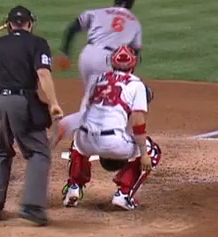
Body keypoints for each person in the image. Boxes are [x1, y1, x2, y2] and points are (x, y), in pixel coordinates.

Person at [0, 5, 64, 226]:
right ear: (30, 24)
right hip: (22, 103)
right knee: (39, 152)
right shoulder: (38, 43)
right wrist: (54, 103)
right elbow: (43, 73)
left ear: (8, 25)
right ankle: (33, 207)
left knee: (2, 150)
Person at [57, 46, 162, 210]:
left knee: (78, 141)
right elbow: (137, 122)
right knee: (152, 150)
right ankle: (124, 194)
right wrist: (143, 154)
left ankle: (74, 187)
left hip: (86, 139)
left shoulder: (95, 80)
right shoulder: (136, 85)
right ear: (133, 64)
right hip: (113, 143)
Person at [56, 0, 142, 111]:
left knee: (91, 92)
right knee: (94, 97)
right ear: (131, 4)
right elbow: (135, 52)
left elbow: (72, 28)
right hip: (106, 60)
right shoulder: (134, 22)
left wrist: (65, 52)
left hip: (86, 55)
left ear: (115, 0)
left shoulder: (98, 12)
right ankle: (84, 126)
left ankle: (90, 124)